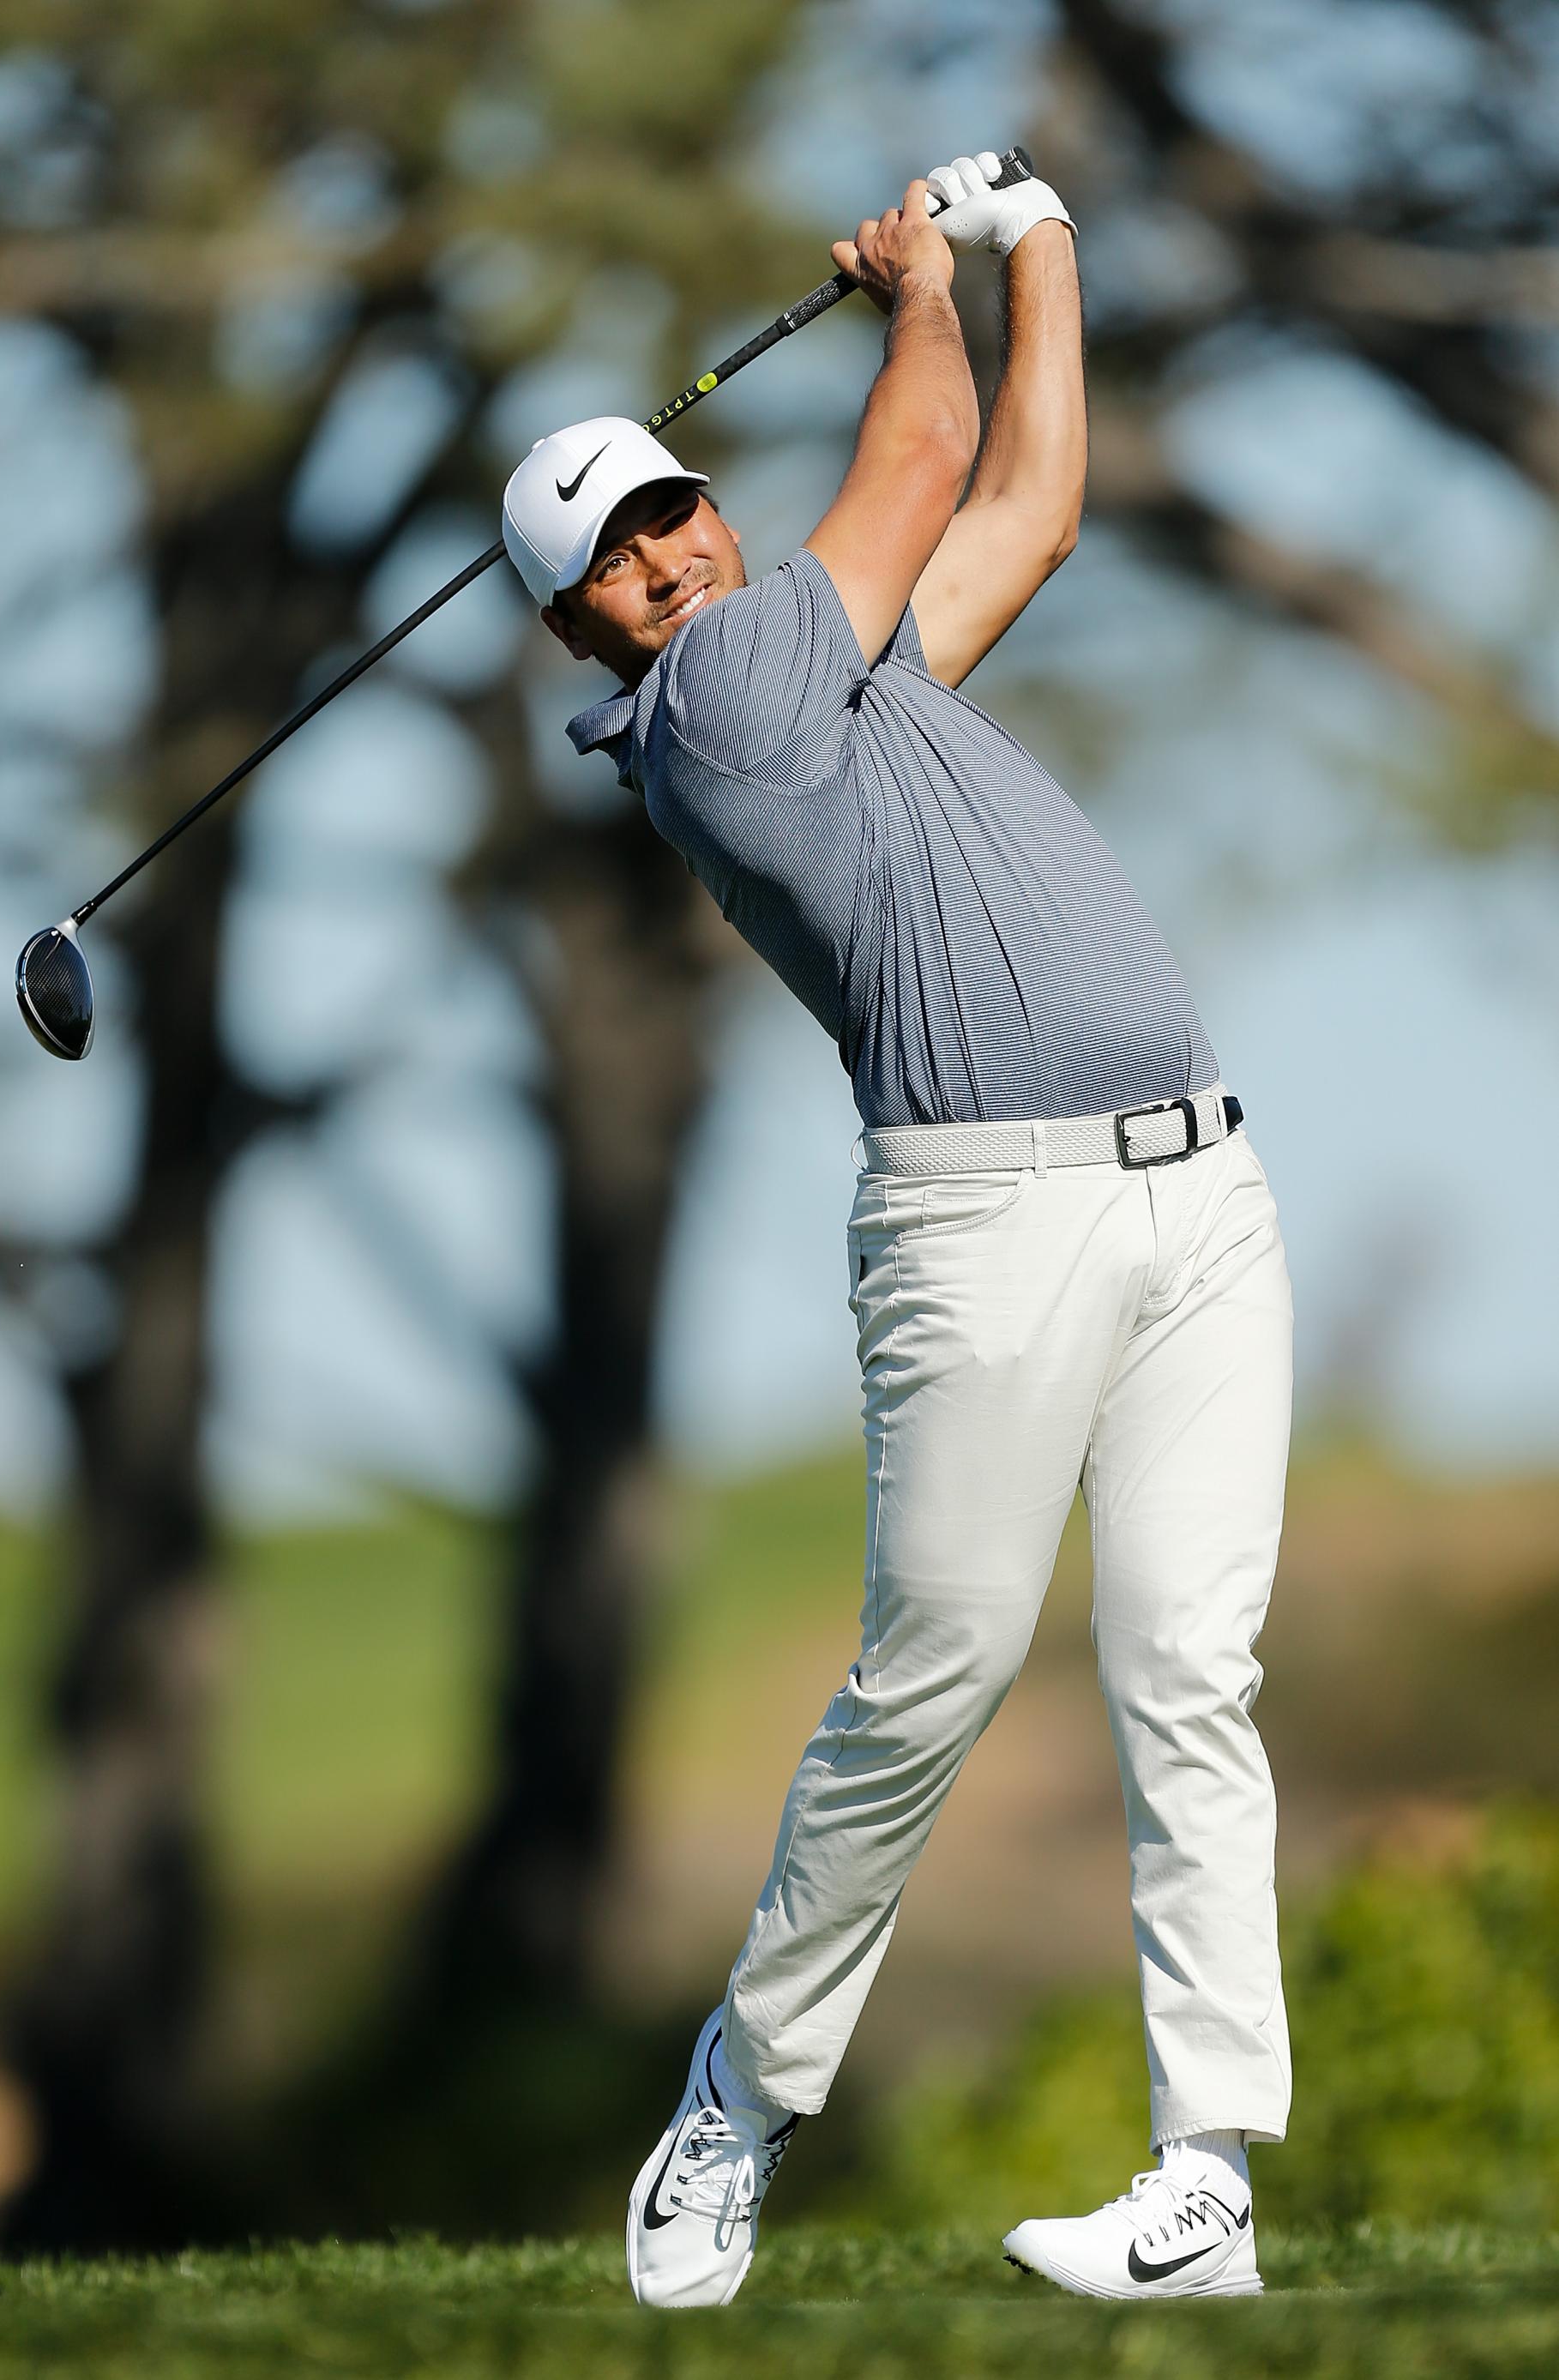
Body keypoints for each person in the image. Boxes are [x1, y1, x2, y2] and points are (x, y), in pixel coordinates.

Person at [501, 151, 1291, 2309]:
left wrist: (1039, 244)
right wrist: (911, 283)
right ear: (583, 627)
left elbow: (1021, 501)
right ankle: (735, 2103)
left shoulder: (851, 676)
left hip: (1202, 1192)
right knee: (930, 1673)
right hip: (984, 1225)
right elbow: (933, 439)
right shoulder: (725, 708)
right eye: (615, 554)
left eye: (670, 509)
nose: (662, 552)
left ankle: (1203, 2170)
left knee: (1187, 1672)